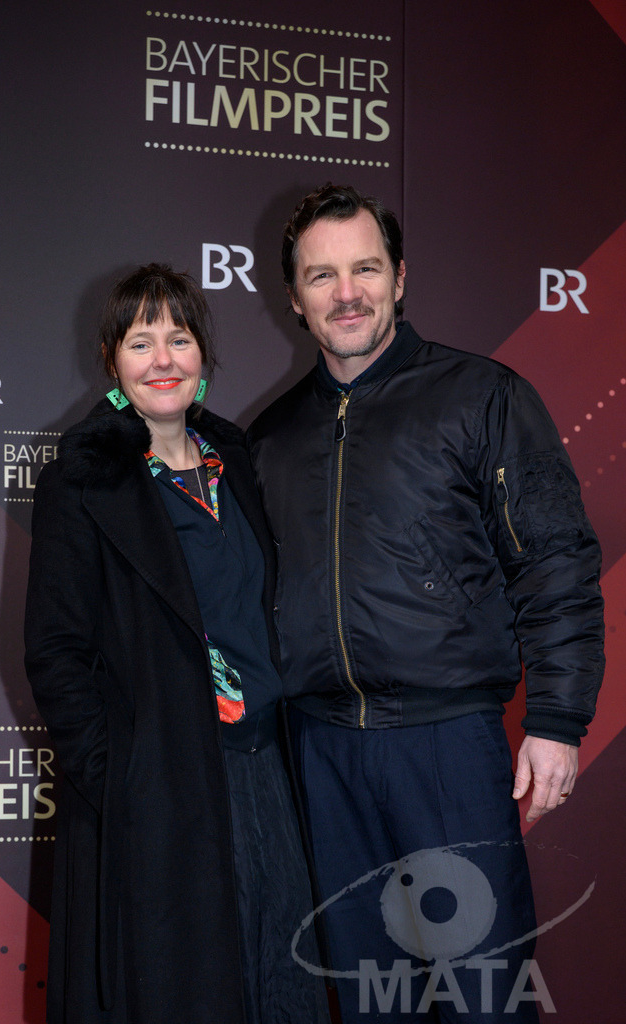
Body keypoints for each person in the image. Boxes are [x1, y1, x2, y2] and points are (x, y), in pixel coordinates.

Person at [248, 185, 605, 1023]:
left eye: (366, 269)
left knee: (482, 995)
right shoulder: (269, 437)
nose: (347, 293)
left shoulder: (481, 396)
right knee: (366, 1000)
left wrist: (557, 719)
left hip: (446, 745)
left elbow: (554, 559)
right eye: (322, 275)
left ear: (400, 277)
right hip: (321, 751)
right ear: (293, 296)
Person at [24, 264, 325, 1024]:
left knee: (279, 987)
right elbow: (55, 652)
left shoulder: (239, 462)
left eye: (180, 338)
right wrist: (123, 779)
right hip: (163, 788)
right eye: (140, 342)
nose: (163, 360)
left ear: (203, 354)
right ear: (111, 358)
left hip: (267, 776)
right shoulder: (82, 481)